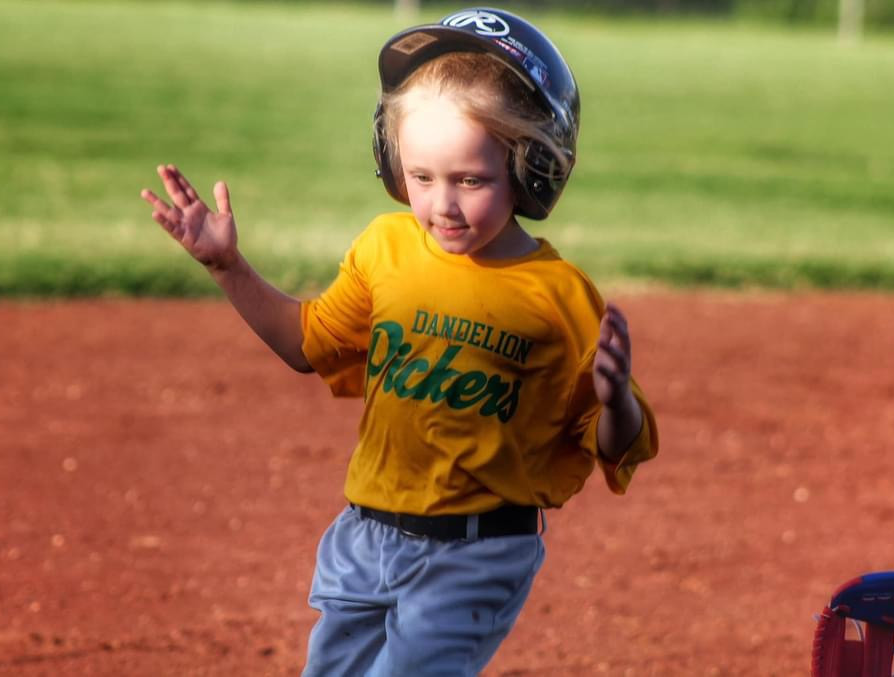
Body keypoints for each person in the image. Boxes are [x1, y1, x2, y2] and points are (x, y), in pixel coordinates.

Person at [140, 7, 658, 676]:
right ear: (393, 165)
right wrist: (227, 267)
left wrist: (615, 398)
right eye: (421, 177)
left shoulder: (559, 297)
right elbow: (306, 343)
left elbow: (614, 443)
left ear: (531, 167)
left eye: (470, 180)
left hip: (476, 555)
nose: (443, 204)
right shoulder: (385, 249)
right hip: (365, 538)